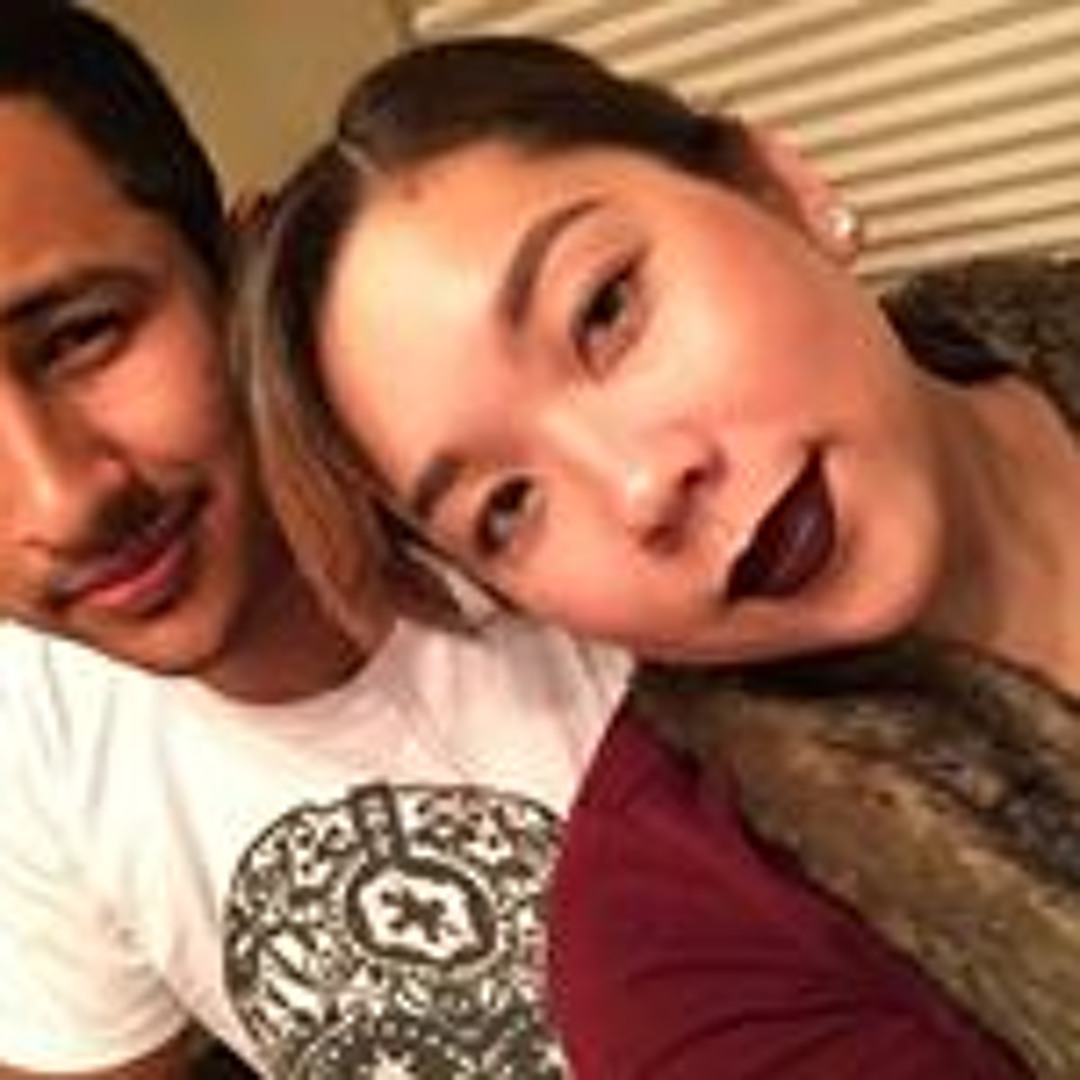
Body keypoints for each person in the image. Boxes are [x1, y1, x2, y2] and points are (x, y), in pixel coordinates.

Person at [235, 34, 1079, 1077]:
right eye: (507, 507)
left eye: (605, 312)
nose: (639, 488)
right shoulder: (676, 950)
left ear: (776, 189)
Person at [0, 8, 627, 1078]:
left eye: (84, 334)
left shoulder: (598, 511)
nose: (60, 504)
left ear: (241, 265)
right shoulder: (32, 721)